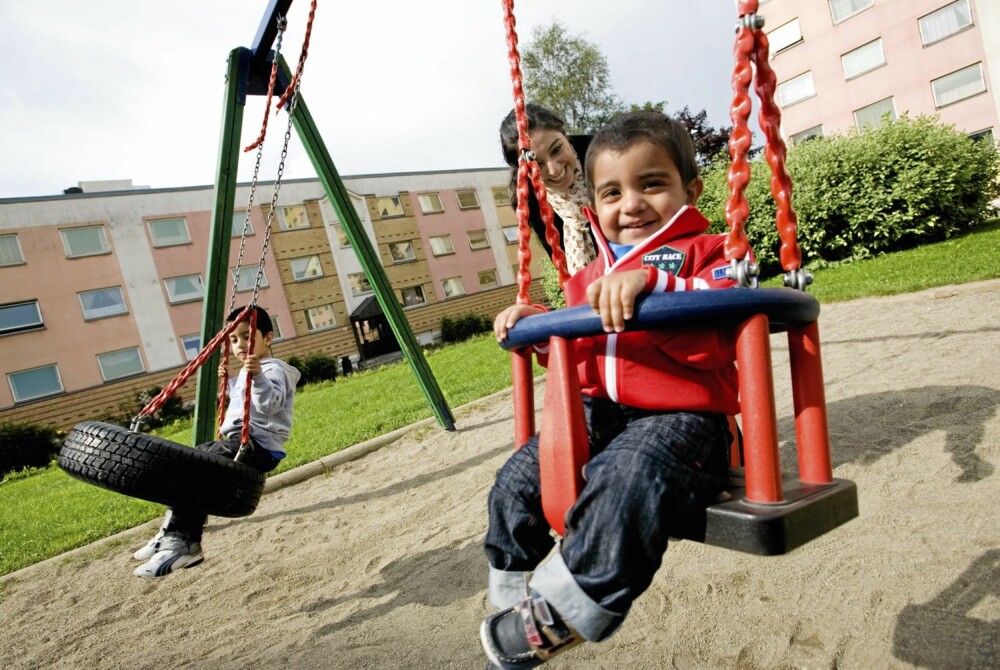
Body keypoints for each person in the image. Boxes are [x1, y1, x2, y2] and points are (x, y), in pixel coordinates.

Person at [481, 110, 744, 668]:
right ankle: (512, 597)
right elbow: (576, 362)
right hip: (603, 415)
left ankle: (570, 608)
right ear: (594, 204)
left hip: (686, 425)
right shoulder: (588, 277)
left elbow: (725, 310)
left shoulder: (713, 253)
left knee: (624, 476)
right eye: (612, 193)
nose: (631, 204)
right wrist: (537, 326)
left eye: (652, 184)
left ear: (690, 188)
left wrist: (655, 282)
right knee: (517, 479)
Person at [131, 305, 300, 580]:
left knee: (196, 466)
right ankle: (170, 533)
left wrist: (255, 375)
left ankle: (183, 544)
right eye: (234, 340)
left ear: (268, 338)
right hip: (237, 441)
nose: (240, 345)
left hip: (256, 446)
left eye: (247, 336)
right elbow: (244, 402)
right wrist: (232, 383)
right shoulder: (251, 368)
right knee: (189, 461)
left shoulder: (274, 369)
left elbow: (269, 405)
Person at [500, 103, 597, 274]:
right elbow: (561, 264)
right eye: (537, 164)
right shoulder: (532, 203)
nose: (554, 169)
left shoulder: (602, 152)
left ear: (564, 134)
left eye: (557, 149)